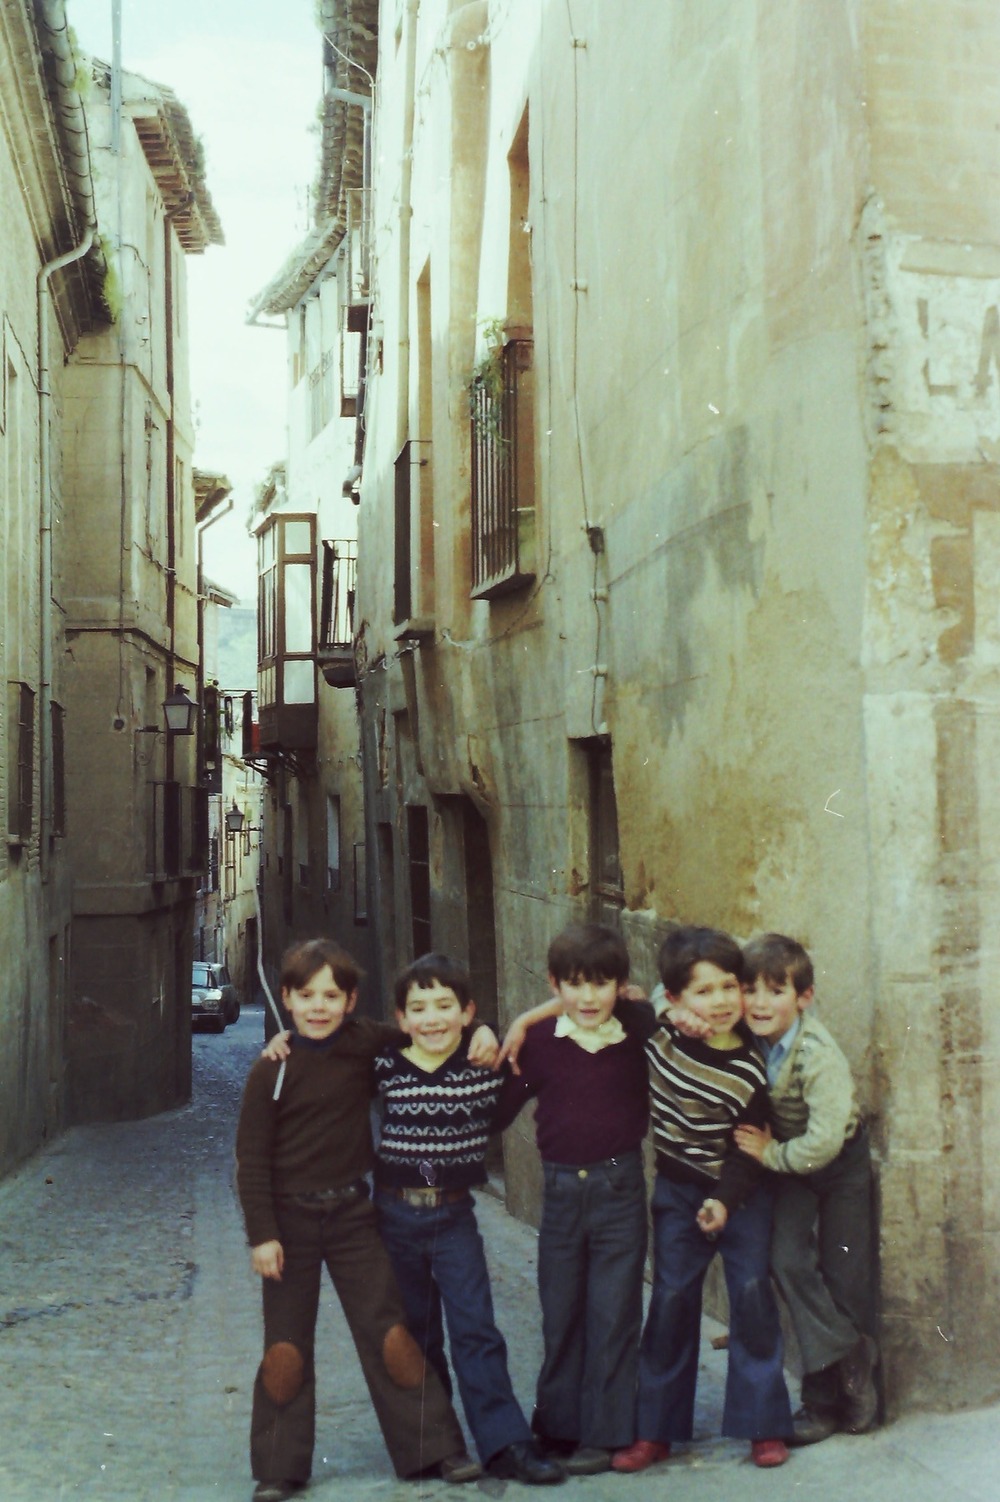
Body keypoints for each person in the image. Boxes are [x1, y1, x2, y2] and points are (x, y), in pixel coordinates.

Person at [235, 938, 486, 1502]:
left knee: (391, 1334)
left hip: (353, 1215)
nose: (318, 1007)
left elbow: (430, 1028)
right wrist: (263, 1235)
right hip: (290, 1226)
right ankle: (279, 1467)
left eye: (331, 995)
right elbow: (250, 1161)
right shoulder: (270, 1071)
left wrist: (484, 1029)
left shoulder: (365, 1044)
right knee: (285, 1348)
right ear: (287, 999)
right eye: (306, 996)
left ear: (350, 1001)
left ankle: (434, 1448)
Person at [371, 952, 564, 1486]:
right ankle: (437, 1444)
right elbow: (334, 1044)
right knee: (417, 1333)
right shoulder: (385, 1062)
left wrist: (501, 1027)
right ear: (401, 1019)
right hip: (393, 1215)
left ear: (466, 1009)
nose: (432, 1018)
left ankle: (505, 1444)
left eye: (445, 1006)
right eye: (418, 1008)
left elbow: (559, 1021)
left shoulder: (488, 1066)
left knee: (476, 1328)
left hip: (453, 1215)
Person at [610, 925, 793, 1474]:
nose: (720, 1002)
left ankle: (762, 1424)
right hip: (675, 1191)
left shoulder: (751, 1069)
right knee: (670, 1301)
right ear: (677, 999)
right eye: (703, 991)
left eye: (728, 987)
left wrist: (725, 1202)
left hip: (740, 1197)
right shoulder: (659, 1033)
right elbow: (615, 997)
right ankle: (657, 1429)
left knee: (753, 1298)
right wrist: (665, 1015)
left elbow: (745, 1152)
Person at [493, 923, 651, 1476]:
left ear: (621, 986)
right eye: (575, 985)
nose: (589, 998)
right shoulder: (537, 1045)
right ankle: (558, 1425)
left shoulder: (635, 1028)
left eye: (602, 984)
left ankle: (606, 1433)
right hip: (560, 1191)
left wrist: (526, 1012)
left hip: (620, 1188)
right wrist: (508, 1031)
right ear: (556, 984)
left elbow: (658, 1009)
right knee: (561, 1311)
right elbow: (499, 1110)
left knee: (614, 1312)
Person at [734, 932, 878, 1444]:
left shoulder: (818, 1054)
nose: (759, 1003)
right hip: (792, 1163)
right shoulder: (746, 1030)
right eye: (750, 990)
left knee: (844, 1276)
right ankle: (849, 1354)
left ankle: (836, 1398)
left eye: (775, 991)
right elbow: (676, 1000)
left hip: (836, 1162)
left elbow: (822, 1144)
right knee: (788, 1259)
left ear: (804, 998)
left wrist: (770, 1155)